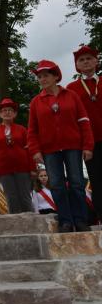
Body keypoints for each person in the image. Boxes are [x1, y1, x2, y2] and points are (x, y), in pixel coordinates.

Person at [28, 60, 94, 233]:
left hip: (73, 146)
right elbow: (32, 129)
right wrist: (35, 150)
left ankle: (80, 220)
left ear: (56, 76)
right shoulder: (36, 102)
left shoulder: (71, 95)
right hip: (50, 150)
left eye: (46, 75)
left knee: (77, 183)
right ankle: (65, 221)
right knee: (56, 185)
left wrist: (87, 146)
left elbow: (84, 122)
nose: (42, 79)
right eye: (39, 77)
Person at [67, 45, 102, 221]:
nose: (86, 61)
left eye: (89, 58)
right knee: (96, 180)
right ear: (77, 66)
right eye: (81, 60)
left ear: (96, 61)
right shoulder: (71, 88)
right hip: (89, 143)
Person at [0, 98, 34, 213]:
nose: (7, 112)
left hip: (23, 168)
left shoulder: (22, 130)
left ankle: (31, 221)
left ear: (15, 114)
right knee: (11, 197)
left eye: (10, 110)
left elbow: (30, 149)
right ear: (0, 114)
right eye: (4, 110)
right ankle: (16, 223)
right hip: (4, 170)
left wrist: (33, 168)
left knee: (25, 196)